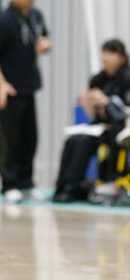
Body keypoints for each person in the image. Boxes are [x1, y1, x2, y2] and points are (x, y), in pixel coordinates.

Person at [0, 0, 51, 203]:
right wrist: (1, 84)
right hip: (9, 88)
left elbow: (44, 39)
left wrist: (45, 46)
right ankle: (9, 184)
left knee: (30, 137)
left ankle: (26, 183)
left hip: (29, 85)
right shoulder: (5, 20)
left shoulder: (36, 16)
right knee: (9, 137)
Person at [52, 39, 130, 203]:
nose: (105, 58)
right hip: (100, 126)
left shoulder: (126, 79)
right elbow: (94, 114)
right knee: (73, 140)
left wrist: (106, 102)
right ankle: (62, 185)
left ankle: (72, 188)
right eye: (104, 53)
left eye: (111, 53)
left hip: (118, 130)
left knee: (84, 142)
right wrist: (89, 104)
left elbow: (124, 112)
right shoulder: (99, 79)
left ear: (122, 57)